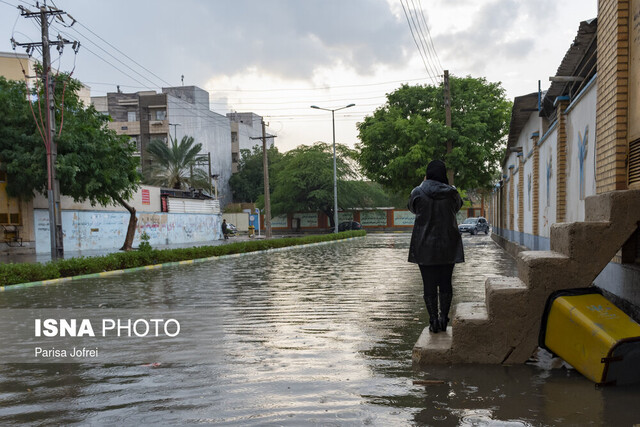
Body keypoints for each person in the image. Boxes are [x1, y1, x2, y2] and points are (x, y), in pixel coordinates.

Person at [408, 160, 464, 333]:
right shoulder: (452, 193)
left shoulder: (417, 192)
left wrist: (423, 184)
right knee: (446, 282)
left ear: (427, 174)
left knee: (428, 284)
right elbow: (457, 208)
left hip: (424, 245)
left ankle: (433, 321)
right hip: (448, 245)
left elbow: (412, 208)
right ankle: (443, 320)